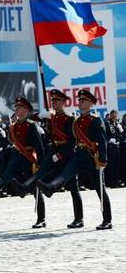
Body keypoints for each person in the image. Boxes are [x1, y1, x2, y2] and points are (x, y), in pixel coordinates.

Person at [37, 89, 112, 230]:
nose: (80, 103)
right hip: (79, 155)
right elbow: (69, 137)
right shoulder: (76, 121)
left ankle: (107, 220)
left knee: (99, 189)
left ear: (90, 103)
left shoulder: (96, 120)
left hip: (92, 158)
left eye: (83, 101)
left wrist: (103, 160)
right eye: (79, 100)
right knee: (66, 173)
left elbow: (102, 142)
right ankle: (51, 189)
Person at [11, 90, 83, 228]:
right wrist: (41, 114)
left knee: (73, 187)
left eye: (56, 101)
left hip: (66, 154)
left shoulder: (70, 118)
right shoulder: (51, 116)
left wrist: (60, 155)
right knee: (40, 172)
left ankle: (79, 218)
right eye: (53, 101)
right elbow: (32, 116)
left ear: (63, 102)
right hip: (53, 150)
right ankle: (24, 188)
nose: (54, 103)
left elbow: (72, 141)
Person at [0, 97, 46, 229]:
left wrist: (41, 164)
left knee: (35, 188)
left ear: (26, 110)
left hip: (28, 157)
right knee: (6, 175)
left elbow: (39, 147)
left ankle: (41, 218)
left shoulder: (31, 125)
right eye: (16, 108)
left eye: (19, 108)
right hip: (17, 156)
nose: (16, 110)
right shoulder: (14, 126)